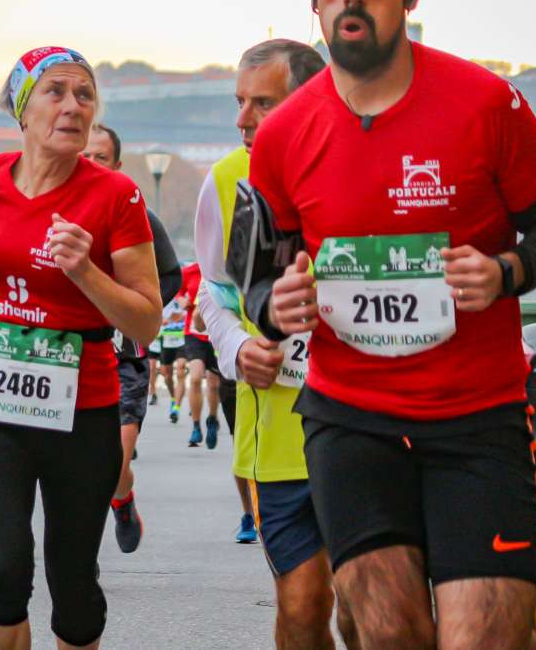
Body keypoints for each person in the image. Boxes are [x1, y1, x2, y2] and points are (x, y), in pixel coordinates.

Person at [239, 0, 536, 647]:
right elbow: (257, 277)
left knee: (486, 639)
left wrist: (506, 270)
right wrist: (276, 303)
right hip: (352, 419)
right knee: (388, 633)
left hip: (477, 419)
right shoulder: (283, 135)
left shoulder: (486, 104)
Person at [0, 46, 162, 650]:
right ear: (23, 111)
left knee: (74, 585)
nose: (73, 106)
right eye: (55, 92)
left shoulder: (116, 196)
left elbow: (148, 322)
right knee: (4, 570)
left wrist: (85, 272)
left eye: (85, 95)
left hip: (83, 408)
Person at [195, 38, 333, 646]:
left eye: (262, 104)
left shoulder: (367, 167)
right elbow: (212, 294)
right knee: (302, 609)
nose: (242, 120)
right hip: (280, 441)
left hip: (374, 428)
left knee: (368, 604)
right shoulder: (225, 182)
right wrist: (234, 348)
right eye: (239, 102)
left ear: (314, 102)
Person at [83, 123, 181, 554]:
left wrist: (134, 310)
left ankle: (121, 500)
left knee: (113, 458)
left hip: (124, 354)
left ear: (116, 166)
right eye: (83, 155)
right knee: (76, 466)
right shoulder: (45, 210)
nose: (89, 165)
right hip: (68, 355)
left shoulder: (135, 211)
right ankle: (82, 553)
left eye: (99, 158)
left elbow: (171, 276)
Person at [180, 262, 221, 448]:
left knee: (214, 383)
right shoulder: (190, 271)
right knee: (195, 378)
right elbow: (176, 288)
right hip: (193, 333)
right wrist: (181, 300)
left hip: (216, 334)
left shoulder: (221, 269)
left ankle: (212, 419)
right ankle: (196, 426)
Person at [157, 293, 188, 421]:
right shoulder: (164, 292)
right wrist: (164, 320)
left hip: (182, 338)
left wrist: (180, 316)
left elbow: (190, 310)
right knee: (167, 375)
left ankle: (176, 408)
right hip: (167, 339)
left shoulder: (185, 294)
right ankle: (174, 398)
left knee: (181, 370)